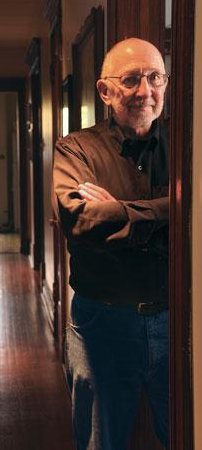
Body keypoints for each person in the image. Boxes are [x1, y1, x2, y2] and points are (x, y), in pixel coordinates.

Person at [53, 38, 170, 450]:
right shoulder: (76, 150)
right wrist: (168, 210)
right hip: (101, 325)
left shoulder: (187, 147)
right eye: (131, 79)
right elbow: (84, 224)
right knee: (100, 443)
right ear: (105, 91)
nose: (145, 91)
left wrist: (120, 211)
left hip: (178, 321)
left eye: (155, 78)